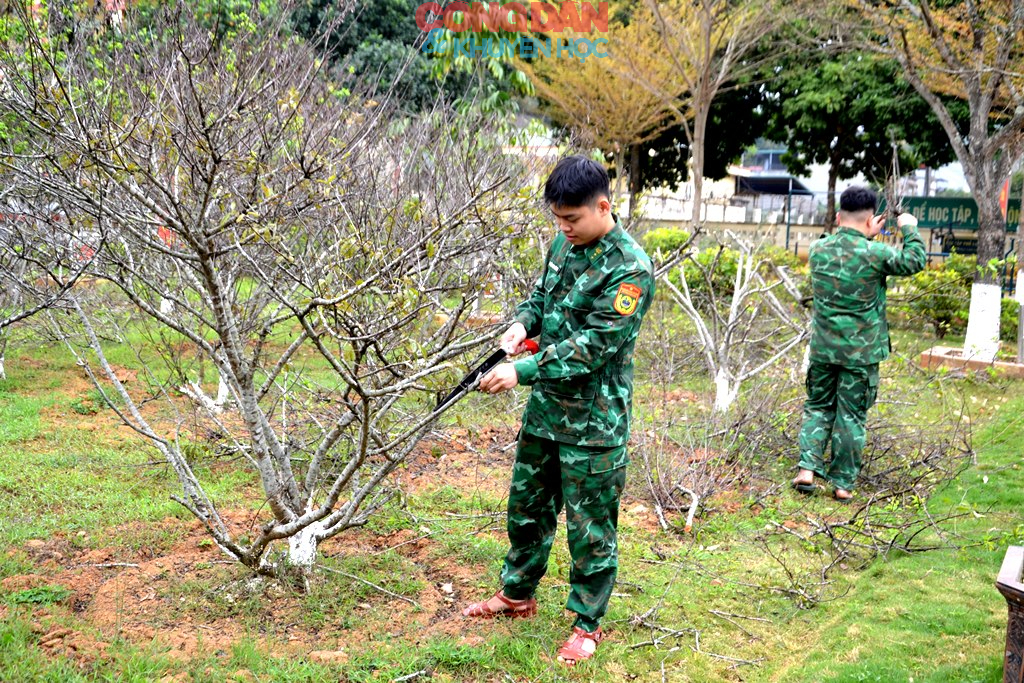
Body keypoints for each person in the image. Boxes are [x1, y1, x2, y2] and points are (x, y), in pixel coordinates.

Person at [463, 155, 655, 666]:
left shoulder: (631, 270)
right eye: (558, 219)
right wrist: (522, 325)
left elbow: (594, 345)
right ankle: (516, 594)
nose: (564, 228)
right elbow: (542, 296)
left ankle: (586, 624)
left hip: (594, 423)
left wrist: (522, 372)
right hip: (547, 412)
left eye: (571, 219)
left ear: (602, 207)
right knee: (527, 507)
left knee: (590, 527)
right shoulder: (563, 244)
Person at [791, 186, 925, 501]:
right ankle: (842, 485)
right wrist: (908, 225)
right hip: (860, 354)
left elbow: (846, 248)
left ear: (838, 217)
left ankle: (807, 470)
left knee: (819, 406)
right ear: (870, 223)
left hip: (823, 348)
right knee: (851, 415)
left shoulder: (818, 249)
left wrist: (865, 234)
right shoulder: (875, 253)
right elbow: (914, 259)